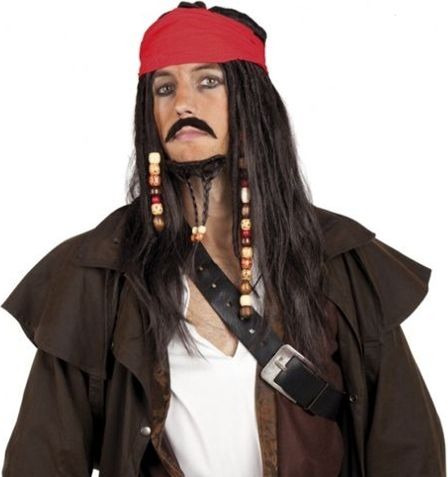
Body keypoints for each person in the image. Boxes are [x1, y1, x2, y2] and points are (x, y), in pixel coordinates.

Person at [1, 2, 445, 476]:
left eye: (208, 81)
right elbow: (43, 458)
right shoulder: (98, 270)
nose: (183, 104)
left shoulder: (338, 258)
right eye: (164, 88)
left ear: (251, 101)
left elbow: (407, 448)